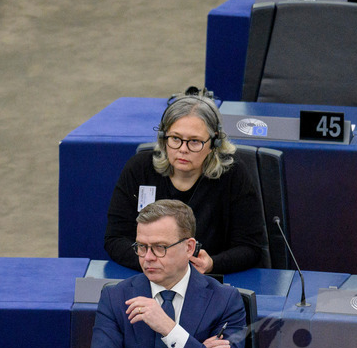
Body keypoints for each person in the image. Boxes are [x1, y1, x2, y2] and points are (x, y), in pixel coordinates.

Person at [91, 200, 246, 348]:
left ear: (189, 247)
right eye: (141, 247)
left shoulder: (225, 299)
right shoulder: (115, 297)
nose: (147, 258)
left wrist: (169, 329)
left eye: (159, 248)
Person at [104, 88, 267, 275]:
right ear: (163, 138)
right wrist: (155, 263)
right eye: (175, 139)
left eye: (194, 141)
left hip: (209, 283)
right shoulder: (139, 169)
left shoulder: (233, 175)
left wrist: (213, 263)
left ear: (214, 143)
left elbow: (250, 248)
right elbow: (115, 238)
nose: (183, 149)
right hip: (149, 278)